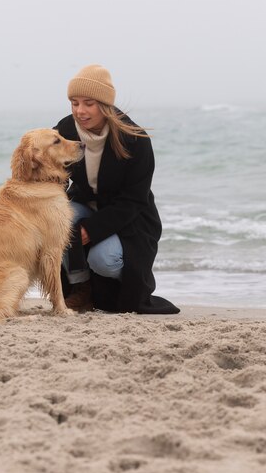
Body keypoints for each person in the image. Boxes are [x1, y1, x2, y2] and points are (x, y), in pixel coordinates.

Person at [54, 64, 179, 315]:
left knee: (104, 261)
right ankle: (81, 289)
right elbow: (56, 176)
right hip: (84, 205)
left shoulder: (135, 139)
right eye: (74, 103)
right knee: (58, 219)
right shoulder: (65, 130)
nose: (80, 111)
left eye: (89, 103)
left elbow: (133, 200)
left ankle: (123, 286)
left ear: (105, 104)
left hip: (129, 215)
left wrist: (92, 230)